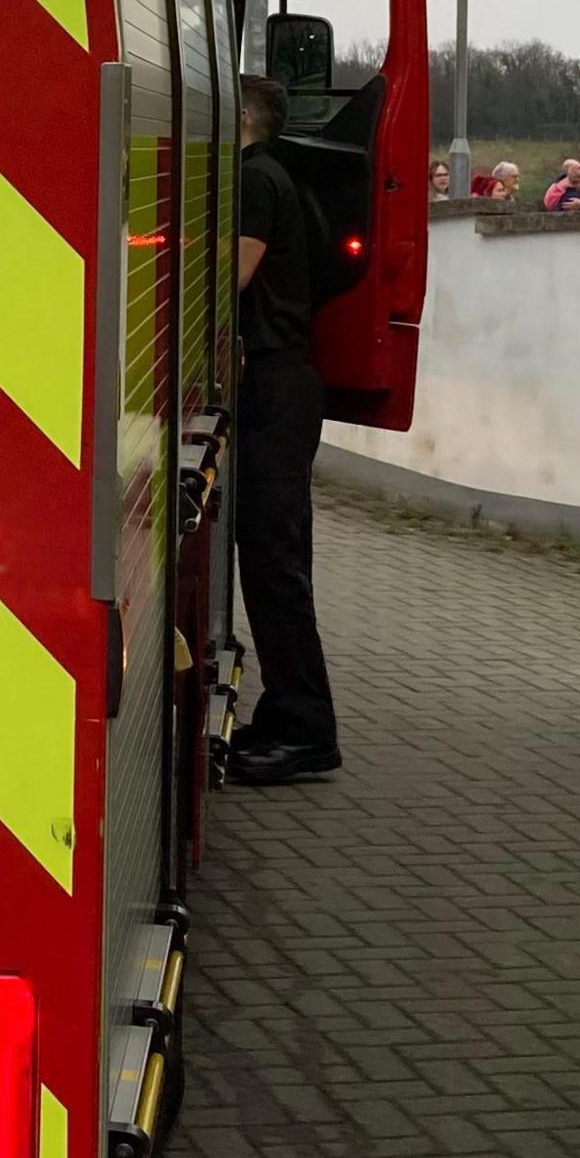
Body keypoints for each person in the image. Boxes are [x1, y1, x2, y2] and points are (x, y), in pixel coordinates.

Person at [229, 75, 342, 786]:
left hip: (272, 388)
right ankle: (287, 715)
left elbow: (225, 276)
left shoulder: (251, 179)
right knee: (271, 561)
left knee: (274, 564)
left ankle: (304, 727)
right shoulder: (271, 176)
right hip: (278, 387)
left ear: (241, 116)